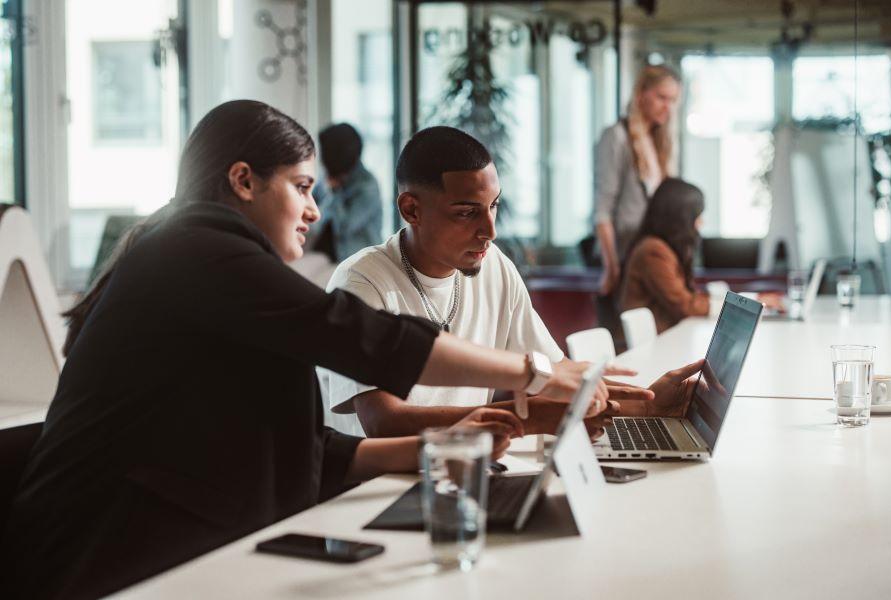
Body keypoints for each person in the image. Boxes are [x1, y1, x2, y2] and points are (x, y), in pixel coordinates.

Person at [0, 101, 595, 600]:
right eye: (302, 188)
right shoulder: (195, 251)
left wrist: (439, 448)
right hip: (103, 556)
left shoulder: (205, 263)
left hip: (160, 540)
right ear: (243, 181)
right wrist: (529, 371)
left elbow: (309, 453)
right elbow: (354, 333)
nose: (315, 210)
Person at [318, 126, 705, 439]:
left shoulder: (494, 267)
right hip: (373, 494)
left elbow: (558, 380)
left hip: (467, 474)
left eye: (494, 206)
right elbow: (383, 423)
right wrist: (527, 418)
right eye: (467, 213)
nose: (490, 230)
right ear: (411, 209)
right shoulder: (360, 283)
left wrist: (649, 402)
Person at [594, 64, 681, 298]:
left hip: (652, 260)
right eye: (662, 97)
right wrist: (611, 266)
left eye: (673, 100)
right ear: (641, 93)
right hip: (625, 261)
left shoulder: (660, 143)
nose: (668, 108)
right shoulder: (617, 137)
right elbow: (603, 210)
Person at [619, 178, 709, 333]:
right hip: (649, 347)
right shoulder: (653, 251)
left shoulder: (663, 248)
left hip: (663, 339)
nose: (701, 223)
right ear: (681, 216)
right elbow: (685, 305)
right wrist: (732, 308)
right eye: (697, 215)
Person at [309, 123, 382, 263]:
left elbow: (343, 227)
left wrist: (334, 192)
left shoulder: (367, 185)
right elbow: (310, 210)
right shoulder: (328, 177)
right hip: (329, 257)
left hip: (359, 262)